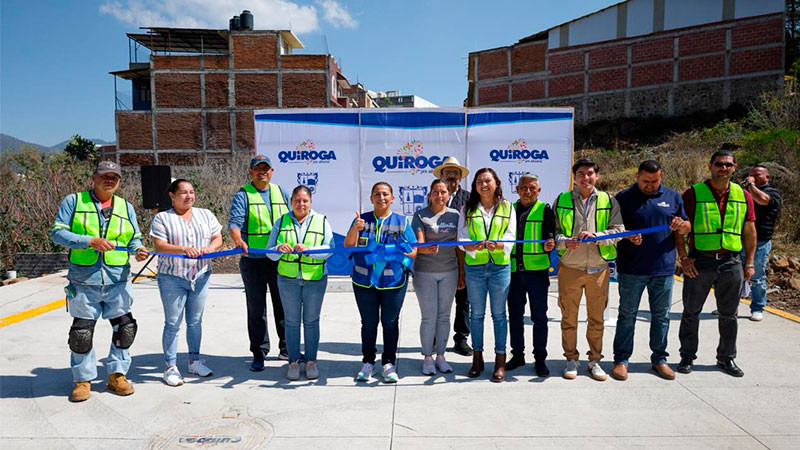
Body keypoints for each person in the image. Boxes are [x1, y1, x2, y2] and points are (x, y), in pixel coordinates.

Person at [51, 161, 148, 402]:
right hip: (84, 279)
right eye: (105, 175)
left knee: (125, 328)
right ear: (94, 177)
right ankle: (83, 380)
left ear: (119, 180)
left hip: (118, 278)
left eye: (114, 176)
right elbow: (58, 233)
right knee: (82, 332)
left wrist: (139, 249)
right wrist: (90, 241)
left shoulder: (126, 207)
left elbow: (134, 236)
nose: (109, 180)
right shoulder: (74, 201)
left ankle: (117, 375)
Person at [676, 150, 756, 377]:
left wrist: (749, 264)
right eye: (719, 164)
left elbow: (749, 232)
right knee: (691, 312)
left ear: (734, 167)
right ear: (710, 166)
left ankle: (726, 358)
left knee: (729, 314)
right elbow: (679, 228)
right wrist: (683, 257)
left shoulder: (743, 195)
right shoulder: (693, 194)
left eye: (728, 165)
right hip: (701, 261)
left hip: (731, 262)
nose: (723, 168)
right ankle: (687, 357)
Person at [611, 160, 690, 381]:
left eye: (655, 181)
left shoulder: (673, 197)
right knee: (627, 316)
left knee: (661, 316)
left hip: (663, 269)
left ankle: (659, 359)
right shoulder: (623, 198)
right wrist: (627, 235)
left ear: (661, 177)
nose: (650, 185)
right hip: (631, 268)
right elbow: (614, 229)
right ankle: (621, 360)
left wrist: (682, 225)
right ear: (637, 176)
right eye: (646, 181)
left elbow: (685, 226)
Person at [553, 158, 624, 381]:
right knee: (569, 317)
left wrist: (598, 237)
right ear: (574, 177)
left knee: (596, 319)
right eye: (581, 173)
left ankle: (594, 360)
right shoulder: (562, 200)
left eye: (590, 173)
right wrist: (565, 241)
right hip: (570, 268)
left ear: (597, 176)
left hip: (598, 268)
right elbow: (552, 234)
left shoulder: (608, 200)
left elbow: (619, 231)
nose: (586, 177)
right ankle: (571, 359)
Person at [150, 179, 223, 386]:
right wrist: (184, 249)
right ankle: (170, 366)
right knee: (173, 323)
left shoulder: (205, 214)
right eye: (183, 192)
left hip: (200, 276)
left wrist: (211, 248)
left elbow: (217, 237)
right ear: (172, 196)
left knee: (195, 321)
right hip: (172, 277)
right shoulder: (162, 218)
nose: (189, 196)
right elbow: (160, 245)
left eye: (191, 192)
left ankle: (194, 360)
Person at [345, 182, 417, 383]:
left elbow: (413, 251)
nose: (381, 198)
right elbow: (348, 245)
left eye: (385, 194)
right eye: (377, 194)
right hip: (363, 282)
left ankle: (388, 363)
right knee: (368, 324)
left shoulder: (402, 222)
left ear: (393, 198)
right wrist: (355, 230)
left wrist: (393, 250)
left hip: (393, 282)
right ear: (371, 198)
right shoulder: (361, 220)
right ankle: (368, 362)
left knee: (390, 323)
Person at [228, 155, 291, 371]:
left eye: (266, 168)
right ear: (250, 172)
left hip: (279, 260)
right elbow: (234, 223)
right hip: (253, 261)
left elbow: (293, 219)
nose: (262, 172)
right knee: (256, 309)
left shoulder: (280, 192)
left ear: (272, 172)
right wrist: (238, 240)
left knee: (283, 306)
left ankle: (287, 348)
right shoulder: (243, 195)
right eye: (257, 168)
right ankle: (259, 351)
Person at [267, 185, 334, 381]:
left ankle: (311, 361)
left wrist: (310, 249)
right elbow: (269, 253)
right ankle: (294, 362)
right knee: (291, 322)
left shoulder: (321, 221)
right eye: (297, 200)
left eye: (305, 200)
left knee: (311, 322)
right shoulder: (282, 221)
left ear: (310, 202)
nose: (301, 204)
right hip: (288, 280)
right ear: (291, 202)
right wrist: (279, 247)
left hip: (314, 279)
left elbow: (330, 249)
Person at [458, 168, 516, 382]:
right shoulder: (468, 208)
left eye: (488, 180)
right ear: (475, 186)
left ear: (496, 183)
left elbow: (512, 235)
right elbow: (461, 237)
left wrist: (500, 245)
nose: (484, 184)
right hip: (475, 267)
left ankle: (500, 360)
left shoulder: (507, 207)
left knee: (499, 315)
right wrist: (471, 246)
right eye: (480, 181)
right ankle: (477, 358)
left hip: (500, 267)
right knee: (476, 315)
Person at [411, 179, 462, 375]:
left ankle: (441, 356)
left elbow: (459, 248)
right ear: (430, 194)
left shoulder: (456, 215)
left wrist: (461, 274)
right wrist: (425, 249)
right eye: (435, 192)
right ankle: (428, 357)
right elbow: (419, 242)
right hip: (425, 273)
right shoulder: (420, 215)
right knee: (429, 317)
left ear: (449, 195)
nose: (439, 196)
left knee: (444, 316)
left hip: (450, 272)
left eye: (443, 192)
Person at [506, 173, 555, 377]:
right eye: (524, 188)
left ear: (538, 190)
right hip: (514, 273)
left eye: (532, 188)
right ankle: (518, 355)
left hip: (536, 273)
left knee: (539, 318)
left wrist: (549, 244)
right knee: (515, 317)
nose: (528, 191)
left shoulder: (545, 210)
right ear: (517, 189)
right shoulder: (508, 210)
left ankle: (540, 359)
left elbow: (550, 236)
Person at [433, 156, 472, 356]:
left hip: (465, 256)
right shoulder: (435, 196)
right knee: (439, 300)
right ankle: (434, 337)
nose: (451, 176)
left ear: (460, 177)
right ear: (441, 175)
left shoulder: (470, 197)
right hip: (441, 257)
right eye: (447, 173)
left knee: (463, 300)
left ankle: (461, 338)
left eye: (455, 173)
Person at [741, 164, 781, 322]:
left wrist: (751, 185)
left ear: (767, 177)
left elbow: (763, 200)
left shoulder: (772, 192)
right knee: (734, 276)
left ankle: (757, 307)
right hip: (740, 240)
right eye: (750, 175)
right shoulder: (745, 192)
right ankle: (729, 305)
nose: (752, 178)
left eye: (757, 175)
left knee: (757, 276)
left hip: (760, 242)